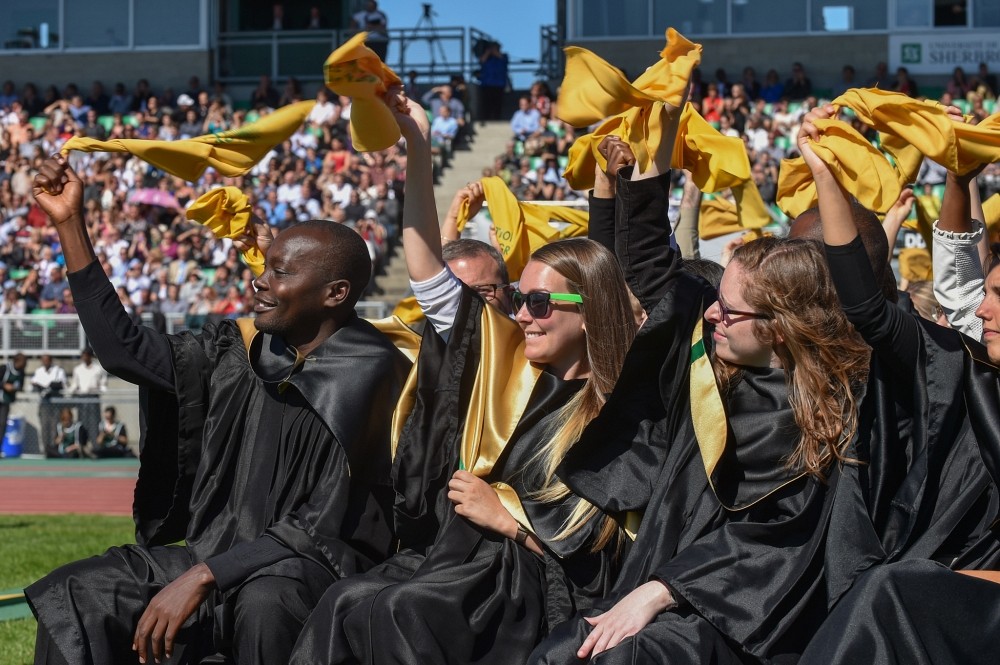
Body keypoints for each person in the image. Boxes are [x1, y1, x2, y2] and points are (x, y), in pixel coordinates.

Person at [289, 91, 637, 664]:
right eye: (520, 299)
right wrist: (418, 145)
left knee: (401, 611)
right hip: (467, 562)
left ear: (589, 310)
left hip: (533, 584)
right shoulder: (508, 364)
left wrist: (509, 518)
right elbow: (428, 272)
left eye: (540, 302)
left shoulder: (623, 410)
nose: (523, 314)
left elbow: (612, 551)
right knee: (343, 601)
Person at [25, 154, 411, 665]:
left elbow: (322, 523)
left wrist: (210, 575)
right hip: (212, 554)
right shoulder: (239, 350)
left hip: (306, 567)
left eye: (279, 272)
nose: (259, 281)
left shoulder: (375, 373)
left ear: (335, 293)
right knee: (79, 591)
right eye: (265, 268)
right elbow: (123, 351)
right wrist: (70, 223)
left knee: (266, 600)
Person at [530, 101, 875, 663]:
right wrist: (659, 143)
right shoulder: (708, 371)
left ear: (781, 327)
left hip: (742, 618)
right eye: (716, 301)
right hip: (658, 586)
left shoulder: (837, 410)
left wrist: (661, 593)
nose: (713, 314)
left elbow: (775, 545)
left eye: (730, 310)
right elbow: (645, 268)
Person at [789, 102, 1000, 665]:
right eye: (987, 292)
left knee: (891, 592)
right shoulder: (966, 368)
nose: (981, 308)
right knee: (886, 589)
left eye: (999, 296)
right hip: (954, 584)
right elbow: (867, 306)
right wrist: (825, 176)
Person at [30, 354, 67, 455]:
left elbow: (63, 383)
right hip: (44, 403)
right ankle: (46, 448)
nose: (45, 362)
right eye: (43, 360)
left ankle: (54, 448)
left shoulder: (58, 370)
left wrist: (51, 387)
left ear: (51, 361)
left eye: (47, 360)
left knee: (55, 426)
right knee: (44, 426)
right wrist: (41, 387)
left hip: (55, 403)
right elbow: (33, 383)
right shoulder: (39, 371)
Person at [67, 347, 106, 439]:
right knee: (82, 421)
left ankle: (94, 442)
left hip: (93, 397)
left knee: (94, 421)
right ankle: (83, 442)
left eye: (86, 356)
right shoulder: (78, 369)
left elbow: (103, 385)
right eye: (83, 356)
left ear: (90, 356)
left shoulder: (98, 369)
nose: (84, 358)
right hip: (82, 398)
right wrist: (69, 393)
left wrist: (97, 389)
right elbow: (74, 384)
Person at [476, 40, 509, 122]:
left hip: (499, 84)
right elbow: (482, 61)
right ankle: (486, 118)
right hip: (487, 84)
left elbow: (502, 59)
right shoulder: (487, 58)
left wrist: (495, 52)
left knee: (497, 104)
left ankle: (496, 118)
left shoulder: (504, 56)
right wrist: (488, 52)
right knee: (487, 104)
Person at [0, 352, 27, 434]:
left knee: (2, 423)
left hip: (6, 401)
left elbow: (21, 386)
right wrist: (4, 385)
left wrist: (14, 388)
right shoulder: (5, 368)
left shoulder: (21, 373)